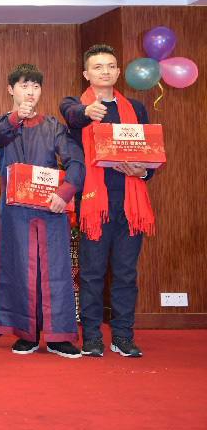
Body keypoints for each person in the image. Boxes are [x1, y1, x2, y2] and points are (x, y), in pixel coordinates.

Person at [60, 44, 155, 358]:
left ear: (118, 71)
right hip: (94, 204)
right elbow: (71, 115)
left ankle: (123, 336)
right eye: (98, 67)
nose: (105, 71)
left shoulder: (136, 108)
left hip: (131, 202)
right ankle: (91, 336)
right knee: (92, 273)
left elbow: (148, 151)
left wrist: (143, 171)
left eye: (111, 66)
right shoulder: (76, 105)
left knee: (126, 273)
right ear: (86, 73)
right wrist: (88, 112)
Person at [0, 64, 84, 358]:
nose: (30, 92)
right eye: (24, 86)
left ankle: (58, 337)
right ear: (11, 89)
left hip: (50, 208)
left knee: (56, 270)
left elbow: (76, 163)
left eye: (36, 86)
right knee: (18, 268)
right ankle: (26, 334)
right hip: (14, 212)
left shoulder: (54, 126)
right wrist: (17, 117)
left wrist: (65, 193)